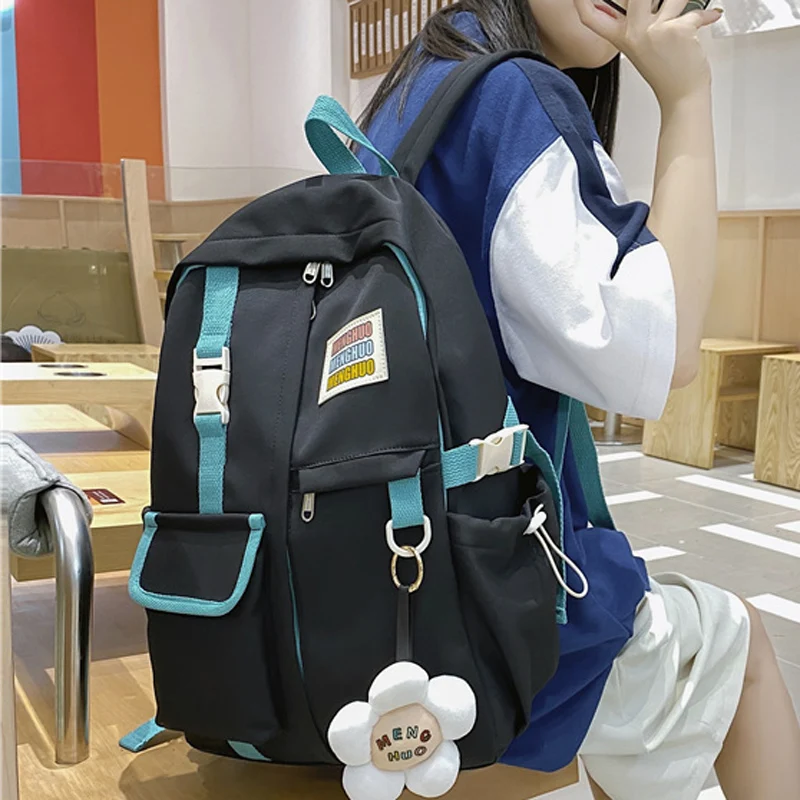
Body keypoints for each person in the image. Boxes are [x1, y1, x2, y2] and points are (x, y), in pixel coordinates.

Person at [357, 1, 800, 798]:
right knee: (737, 645)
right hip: (477, 601)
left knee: (635, 653)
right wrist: (688, 99)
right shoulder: (511, 97)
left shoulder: (418, 82)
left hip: (370, 579)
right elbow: (665, 353)